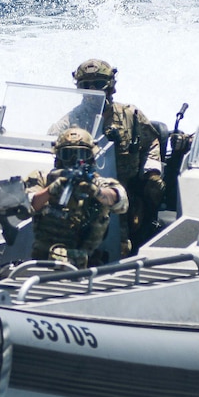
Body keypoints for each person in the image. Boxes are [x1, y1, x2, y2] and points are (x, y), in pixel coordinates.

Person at [64, 59, 164, 254]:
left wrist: (151, 171)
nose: (93, 90)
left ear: (110, 87)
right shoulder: (71, 120)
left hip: (124, 189)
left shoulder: (130, 115)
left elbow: (151, 141)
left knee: (120, 245)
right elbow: (54, 144)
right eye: (86, 86)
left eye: (99, 85)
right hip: (88, 187)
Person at [24, 127, 127, 268]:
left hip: (88, 265)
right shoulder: (43, 179)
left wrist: (97, 192)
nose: (74, 159)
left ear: (90, 157)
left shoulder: (98, 183)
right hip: (45, 262)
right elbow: (27, 205)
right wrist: (51, 190)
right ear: (58, 157)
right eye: (67, 154)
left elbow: (121, 201)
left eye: (81, 154)